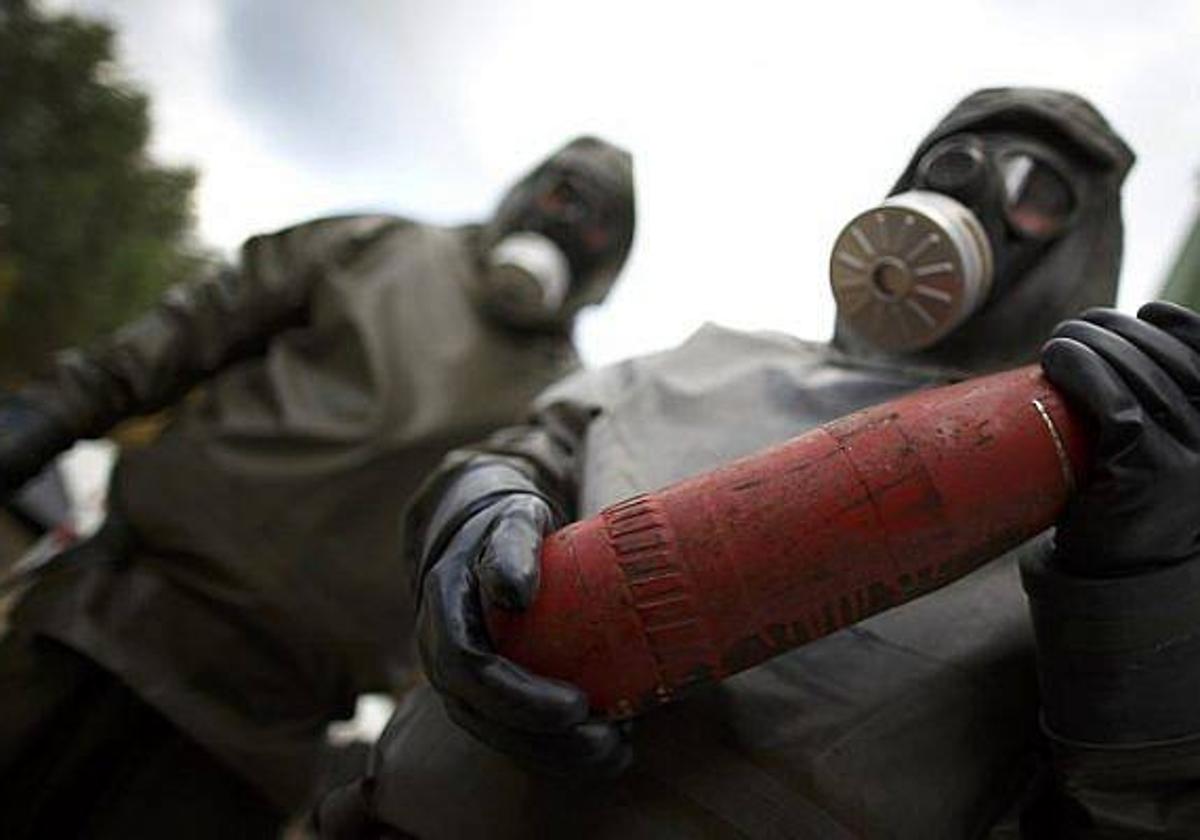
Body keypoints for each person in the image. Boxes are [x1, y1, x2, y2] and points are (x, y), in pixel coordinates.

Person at [319, 89, 1198, 839]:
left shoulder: (1110, 507)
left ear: (1085, 252)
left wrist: (1147, 597)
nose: (968, 209)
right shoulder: (704, 362)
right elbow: (527, 452)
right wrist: (476, 514)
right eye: (953, 166)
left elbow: (1132, 810)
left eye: (1037, 194)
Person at [0, 135, 636, 836]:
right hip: (102, 616)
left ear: (607, 267)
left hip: (253, 741)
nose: (567, 224)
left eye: (598, 221)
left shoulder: (560, 406)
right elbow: (190, 329)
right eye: (561, 193)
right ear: (524, 187)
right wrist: (47, 414)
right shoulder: (375, 245)